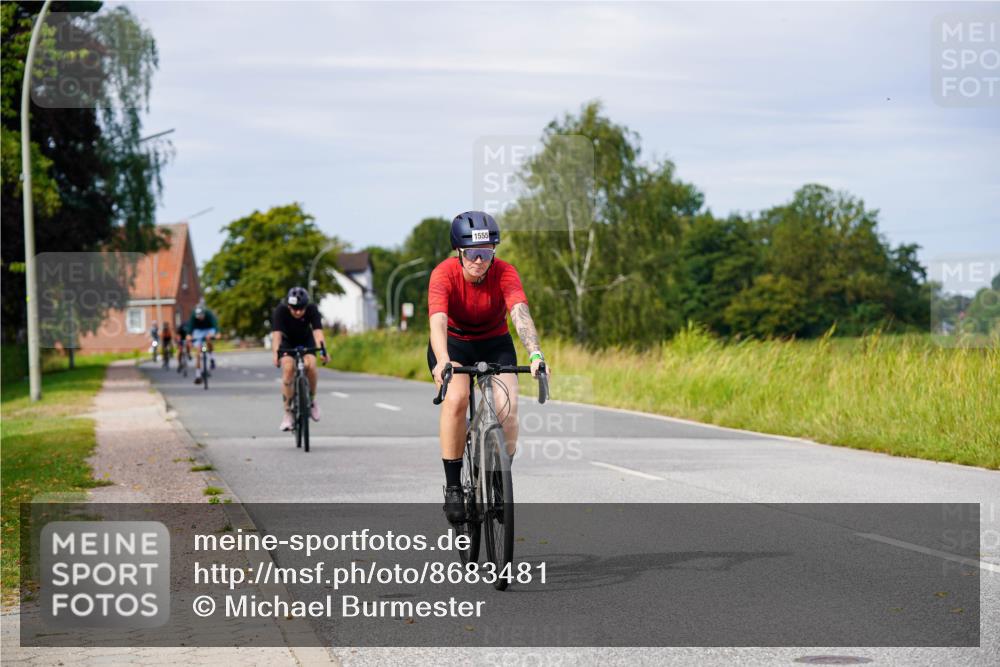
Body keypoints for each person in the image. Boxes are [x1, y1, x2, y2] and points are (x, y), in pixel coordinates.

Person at [428, 211, 547, 523]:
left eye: (487, 253)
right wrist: (442, 360)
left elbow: (519, 311)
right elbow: (438, 320)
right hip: (453, 344)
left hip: (495, 342)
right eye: (472, 254)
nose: (479, 261)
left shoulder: (505, 272)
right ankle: (454, 486)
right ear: (459, 253)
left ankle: (496, 476)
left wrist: (535, 353)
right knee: (457, 399)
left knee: (507, 408)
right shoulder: (443, 275)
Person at [272, 287, 328, 431]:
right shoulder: (280, 311)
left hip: (306, 340)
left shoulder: (312, 309)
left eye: (301, 309)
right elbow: (277, 336)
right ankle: (288, 414)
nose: (298, 312)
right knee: (289, 368)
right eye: (294, 309)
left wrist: (323, 351)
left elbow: (318, 333)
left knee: (311, 365)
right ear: (289, 306)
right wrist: (276, 355)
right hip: (287, 341)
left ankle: (312, 400)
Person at [186, 304, 219, 384]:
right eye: (198, 317)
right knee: (198, 353)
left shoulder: (208, 314)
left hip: (208, 329)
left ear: (204, 314)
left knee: (208, 339)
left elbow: (215, 325)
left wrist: (217, 333)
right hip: (198, 331)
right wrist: (189, 335)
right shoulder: (193, 316)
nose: (200, 318)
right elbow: (190, 328)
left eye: (201, 316)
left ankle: (211, 358)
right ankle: (198, 375)